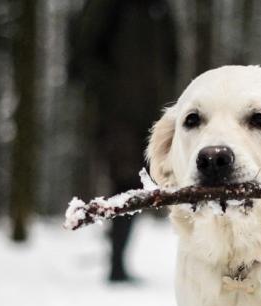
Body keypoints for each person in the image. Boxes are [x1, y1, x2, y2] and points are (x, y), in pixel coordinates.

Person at [69, 0, 181, 284]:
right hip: (115, 115)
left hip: (153, 115)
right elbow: (83, 55)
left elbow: (172, 58)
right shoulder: (110, 6)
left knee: (139, 184)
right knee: (124, 181)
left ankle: (119, 262)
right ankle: (116, 265)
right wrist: (110, 93)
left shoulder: (161, 8)